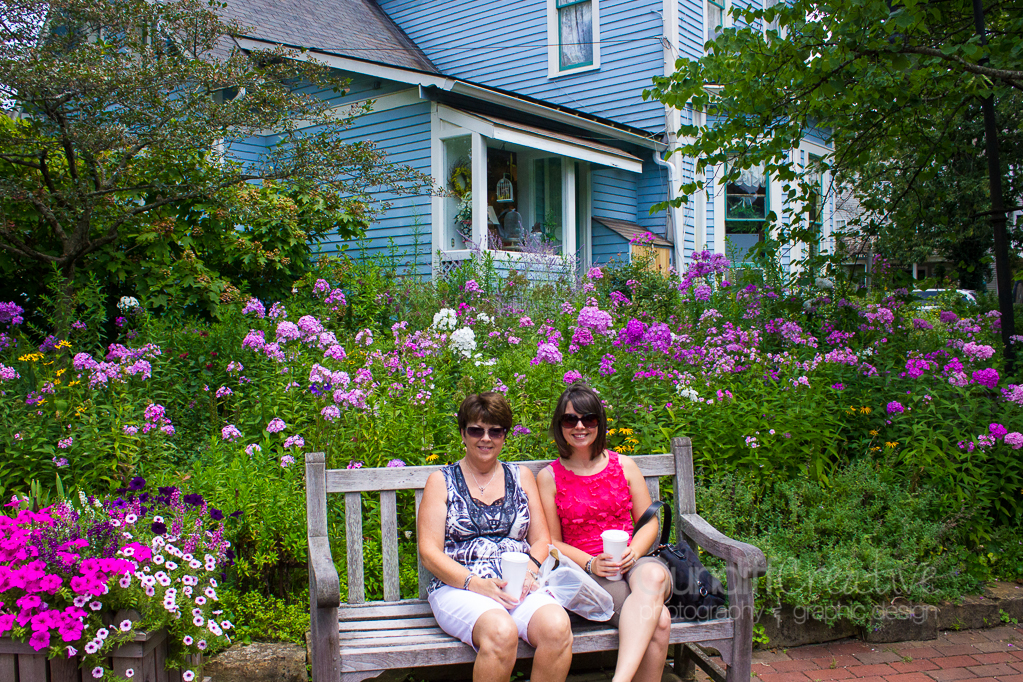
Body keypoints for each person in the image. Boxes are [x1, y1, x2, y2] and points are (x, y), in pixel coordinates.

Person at [418, 392, 573, 682]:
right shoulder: (441, 481)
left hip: (519, 585)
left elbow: (542, 539)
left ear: (505, 435)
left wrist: (529, 573)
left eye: (495, 431)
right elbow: (429, 551)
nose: (485, 438)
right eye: (476, 430)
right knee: (501, 632)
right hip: (460, 587)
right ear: (463, 434)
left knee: (557, 627)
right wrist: (476, 584)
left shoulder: (521, 476)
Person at [537, 383, 673, 682]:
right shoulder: (549, 478)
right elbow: (551, 541)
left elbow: (649, 521)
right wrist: (590, 562)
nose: (580, 426)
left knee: (654, 575)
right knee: (660, 620)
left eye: (589, 419)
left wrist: (635, 552)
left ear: (600, 421)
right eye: (570, 420)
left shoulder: (624, 466)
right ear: (560, 426)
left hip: (634, 558)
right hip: (590, 570)